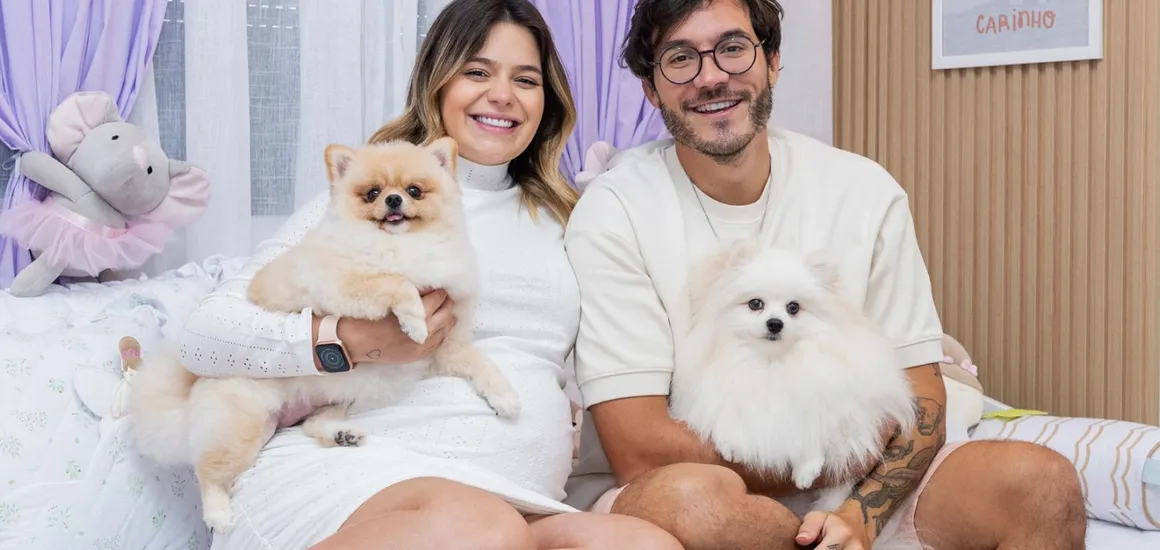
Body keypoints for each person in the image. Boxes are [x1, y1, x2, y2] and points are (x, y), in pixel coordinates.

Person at [562, 0, 1088, 549]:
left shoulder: (863, 190)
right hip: (679, 488)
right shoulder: (615, 211)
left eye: (733, 48)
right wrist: (827, 461)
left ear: (773, 62)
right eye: (679, 58)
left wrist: (860, 515)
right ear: (651, 89)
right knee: (699, 502)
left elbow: (922, 396)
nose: (711, 76)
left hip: (853, 485)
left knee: (1040, 483)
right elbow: (641, 450)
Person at [174, 1, 683, 549]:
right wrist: (345, 341)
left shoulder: (573, 218)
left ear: (548, 99)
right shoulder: (358, 205)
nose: (503, 95)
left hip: (515, 503)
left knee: (639, 543)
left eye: (526, 79)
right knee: (480, 529)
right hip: (355, 474)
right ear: (437, 82)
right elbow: (203, 337)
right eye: (478, 72)